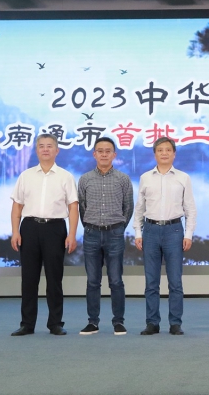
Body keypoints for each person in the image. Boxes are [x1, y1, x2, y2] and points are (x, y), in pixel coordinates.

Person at [9, 133, 79, 336]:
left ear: (57, 150)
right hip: (29, 228)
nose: (45, 149)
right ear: (36, 150)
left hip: (55, 229)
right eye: (41, 146)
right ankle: (27, 324)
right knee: (29, 279)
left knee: (54, 278)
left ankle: (55, 323)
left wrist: (72, 234)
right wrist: (15, 231)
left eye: (49, 146)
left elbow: (73, 207)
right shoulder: (26, 175)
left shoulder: (65, 176)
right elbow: (17, 207)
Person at [133, 137, 197, 336]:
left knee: (175, 281)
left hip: (174, 230)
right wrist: (138, 232)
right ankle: (152, 323)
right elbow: (139, 208)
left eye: (168, 150)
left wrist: (188, 234)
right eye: (160, 150)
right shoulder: (145, 177)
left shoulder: (183, 178)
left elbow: (190, 209)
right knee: (151, 281)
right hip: (150, 230)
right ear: (155, 154)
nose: (164, 153)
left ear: (174, 154)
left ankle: (175, 323)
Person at [77, 137, 134, 336]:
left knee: (116, 280)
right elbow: (82, 207)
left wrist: (119, 227)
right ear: (94, 154)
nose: (103, 154)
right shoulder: (85, 179)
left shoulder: (123, 179)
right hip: (91, 234)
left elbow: (128, 207)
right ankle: (93, 322)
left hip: (115, 233)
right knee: (93, 281)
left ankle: (118, 322)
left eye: (108, 151)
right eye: (100, 151)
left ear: (114, 155)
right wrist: (90, 226)